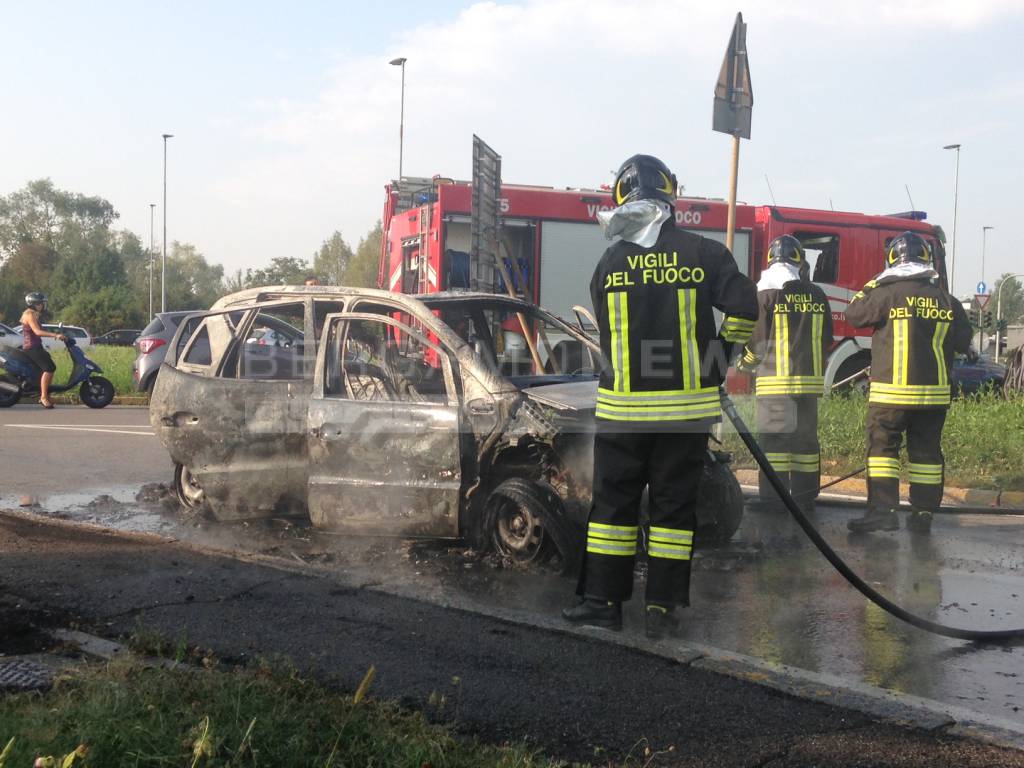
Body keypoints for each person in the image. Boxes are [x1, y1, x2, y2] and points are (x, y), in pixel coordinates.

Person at [562, 154, 758, 638]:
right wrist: (717, 361)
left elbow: (612, 339)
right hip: (686, 415)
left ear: (622, 200)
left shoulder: (609, 264)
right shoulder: (704, 253)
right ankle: (662, 609)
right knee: (673, 511)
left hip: (623, 415)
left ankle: (604, 605)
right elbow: (745, 309)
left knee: (613, 511)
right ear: (671, 194)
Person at [845, 232, 972, 533]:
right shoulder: (947, 300)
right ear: (927, 260)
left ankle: (883, 512)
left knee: (883, 451)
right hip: (934, 397)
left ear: (892, 260)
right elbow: (963, 342)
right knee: (926, 455)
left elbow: (854, 313)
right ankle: (924, 513)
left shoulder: (886, 293)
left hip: (891, 395)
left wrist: (876, 281)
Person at [739, 235, 833, 513]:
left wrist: (745, 365)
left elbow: (757, 344)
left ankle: (773, 499)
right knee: (804, 441)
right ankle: (805, 498)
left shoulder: (766, 294)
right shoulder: (817, 294)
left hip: (774, 385)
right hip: (808, 385)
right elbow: (827, 336)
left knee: (775, 443)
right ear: (799, 261)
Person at [19, 292, 67, 409]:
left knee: (46, 369)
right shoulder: (29, 314)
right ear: (33, 304)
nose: (42, 305)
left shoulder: (33, 314)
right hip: (32, 348)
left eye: (42, 303)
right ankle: (44, 397)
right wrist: (55, 335)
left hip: (35, 347)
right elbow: (37, 332)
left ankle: (45, 395)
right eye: (40, 303)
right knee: (49, 368)